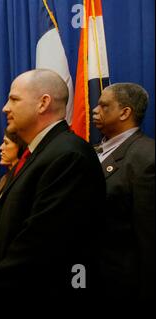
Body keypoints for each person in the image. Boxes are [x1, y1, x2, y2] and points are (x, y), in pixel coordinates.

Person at [0, 69, 106, 300]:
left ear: (43, 103)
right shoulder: (37, 152)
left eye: (14, 99)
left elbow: (40, 246)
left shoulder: (69, 156)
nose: (5, 108)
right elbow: (5, 219)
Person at [92, 82, 155, 298]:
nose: (95, 110)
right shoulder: (94, 151)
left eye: (104, 106)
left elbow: (148, 237)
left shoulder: (146, 157)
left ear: (125, 112)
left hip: (120, 283)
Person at [0, 129, 27, 204]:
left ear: (20, 146)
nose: (0, 147)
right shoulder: (4, 179)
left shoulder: (24, 179)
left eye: (6, 143)